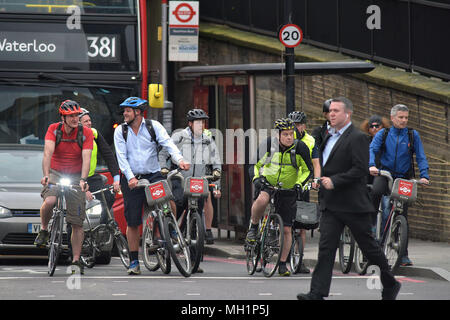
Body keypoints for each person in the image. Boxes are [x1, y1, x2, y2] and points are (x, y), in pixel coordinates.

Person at [297, 97, 401, 300]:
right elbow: (325, 165)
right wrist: (319, 180)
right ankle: (316, 293)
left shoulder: (357, 137)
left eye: (336, 110)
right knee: (325, 249)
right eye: (330, 110)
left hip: (353, 204)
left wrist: (334, 181)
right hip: (331, 204)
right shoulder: (327, 136)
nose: (332, 113)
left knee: (369, 248)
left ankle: (390, 283)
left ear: (348, 114)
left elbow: (360, 169)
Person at [114, 97, 189, 275]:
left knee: (168, 201)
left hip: (153, 174)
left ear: (138, 112)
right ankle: (134, 261)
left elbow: (168, 144)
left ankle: (171, 231)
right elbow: (121, 157)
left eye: (128, 110)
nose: (124, 113)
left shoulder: (153, 126)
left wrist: (180, 160)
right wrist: (131, 178)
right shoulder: (121, 131)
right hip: (132, 179)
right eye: (124, 110)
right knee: (132, 221)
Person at [247, 118, 312, 276]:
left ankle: (283, 264)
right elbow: (254, 165)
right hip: (268, 184)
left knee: (287, 229)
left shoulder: (300, 147)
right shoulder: (269, 145)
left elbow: (307, 170)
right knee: (262, 199)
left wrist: (299, 184)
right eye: (286, 134)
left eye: (292, 134)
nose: (290, 137)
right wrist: (257, 179)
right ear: (278, 135)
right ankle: (254, 227)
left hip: (288, 189)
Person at [34, 100, 93, 274]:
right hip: (55, 172)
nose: (75, 119)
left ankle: (75, 261)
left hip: (75, 176)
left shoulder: (86, 133)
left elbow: (87, 158)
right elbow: (47, 153)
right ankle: (44, 230)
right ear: (63, 117)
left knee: (76, 222)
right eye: (71, 116)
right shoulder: (54, 129)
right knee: (50, 200)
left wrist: (83, 179)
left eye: (76, 115)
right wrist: (46, 175)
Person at [369, 104, 430, 266]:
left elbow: (421, 156)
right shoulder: (384, 133)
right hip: (385, 174)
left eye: (406, 117)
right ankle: (372, 225)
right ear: (393, 118)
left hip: (404, 178)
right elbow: (373, 149)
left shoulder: (412, 135)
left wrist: (424, 175)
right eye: (401, 117)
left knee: (403, 215)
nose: (404, 120)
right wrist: (372, 165)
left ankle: (403, 254)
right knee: (375, 192)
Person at [159, 109, 222, 262]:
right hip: (180, 181)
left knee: (196, 219)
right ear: (190, 124)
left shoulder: (208, 140)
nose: (201, 125)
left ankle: (194, 261)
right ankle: (167, 242)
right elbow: (163, 153)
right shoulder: (179, 137)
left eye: (203, 122)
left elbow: (216, 162)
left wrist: (217, 178)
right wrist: (164, 168)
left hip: (198, 183)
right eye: (198, 122)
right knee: (175, 213)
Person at [288, 111, 321, 274]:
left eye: (299, 124)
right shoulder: (283, 138)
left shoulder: (310, 140)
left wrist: (316, 180)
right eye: (294, 125)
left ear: (304, 126)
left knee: (302, 225)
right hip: (286, 183)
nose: (296, 128)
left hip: (303, 184)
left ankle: (298, 261)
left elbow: (316, 164)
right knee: (286, 223)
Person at [79, 108, 121, 221]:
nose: (89, 123)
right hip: (76, 178)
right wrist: (84, 189)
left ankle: (102, 227)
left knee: (109, 196)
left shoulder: (94, 133)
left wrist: (116, 179)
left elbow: (108, 155)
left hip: (91, 177)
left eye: (89, 120)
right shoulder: (72, 138)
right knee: (76, 212)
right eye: (85, 121)